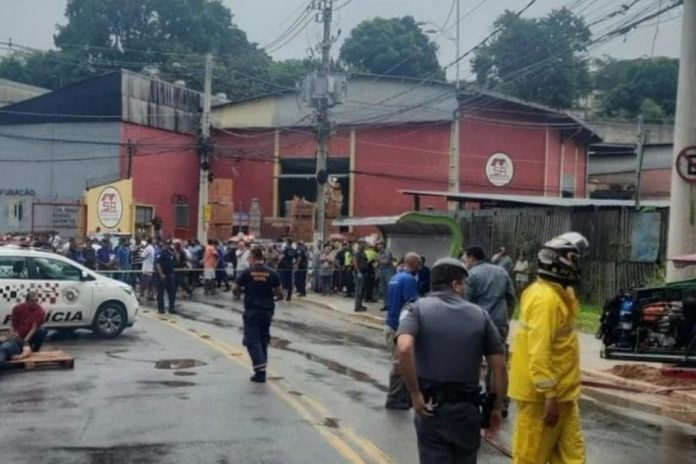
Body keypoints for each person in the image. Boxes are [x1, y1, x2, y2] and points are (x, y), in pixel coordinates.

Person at [396, 258, 507, 463]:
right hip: (467, 411)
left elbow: (403, 348)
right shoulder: (480, 315)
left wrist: (414, 393)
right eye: (464, 283)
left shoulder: (416, 309)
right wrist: (497, 408)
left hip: (432, 408)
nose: (465, 288)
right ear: (456, 284)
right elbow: (499, 366)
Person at [509, 232, 589, 464]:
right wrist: (549, 395)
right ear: (563, 263)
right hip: (543, 397)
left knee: (572, 457)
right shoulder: (545, 299)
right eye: (576, 260)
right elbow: (539, 350)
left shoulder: (558, 294)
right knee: (530, 457)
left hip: (563, 393)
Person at [464, 246, 516, 415]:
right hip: (499, 323)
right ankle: (499, 403)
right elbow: (511, 299)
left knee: (473, 362)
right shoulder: (502, 272)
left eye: (466, 258)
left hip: (477, 323)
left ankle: (472, 399)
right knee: (499, 366)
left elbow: (465, 303)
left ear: (472, 257)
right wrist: (506, 318)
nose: (465, 262)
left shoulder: (471, 275)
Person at [233, 247, 283, 383]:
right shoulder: (272, 273)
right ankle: (261, 370)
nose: (249, 260)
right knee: (263, 339)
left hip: (252, 309)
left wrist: (242, 292)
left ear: (253, 258)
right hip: (267, 310)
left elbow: (235, 288)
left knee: (252, 340)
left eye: (249, 258)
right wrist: (270, 295)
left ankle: (260, 369)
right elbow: (280, 293)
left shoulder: (247, 272)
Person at [384, 252, 421, 410]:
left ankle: (401, 397)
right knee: (400, 364)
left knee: (399, 362)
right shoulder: (409, 279)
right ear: (414, 264)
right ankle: (395, 398)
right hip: (399, 325)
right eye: (419, 265)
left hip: (390, 322)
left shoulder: (395, 277)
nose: (420, 268)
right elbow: (410, 303)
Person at [0, 292, 47, 369]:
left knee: (41, 331)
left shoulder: (40, 311)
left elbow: (33, 329)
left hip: (27, 337)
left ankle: (35, 350)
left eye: (36, 300)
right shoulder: (18, 308)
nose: (35, 303)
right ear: (27, 301)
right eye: (32, 301)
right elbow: (13, 324)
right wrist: (11, 335)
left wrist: (20, 354)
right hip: (15, 337)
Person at [155, 242, 177, 314]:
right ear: (163, 245)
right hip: (163, 275)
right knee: (161, 293)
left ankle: (171, 308)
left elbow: (176, 257)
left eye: (169, 244)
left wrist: (174, 251)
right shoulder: (160, 253)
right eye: (166, 244)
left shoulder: (169, 253)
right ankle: (161, 309)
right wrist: (161, 274)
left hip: (170, 274)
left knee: (172, 293)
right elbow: (157, 264)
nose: (168, 246)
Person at [376, 241, 395, 310]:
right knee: (383, 289)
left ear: (382, 245)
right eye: (377, 245)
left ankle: (391, 305)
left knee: (390, 288)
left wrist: (379, 260)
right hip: (382, 272)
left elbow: (387, 261)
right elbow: (379, 263)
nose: (378, 246)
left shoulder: (387, 252)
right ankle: (386, 304)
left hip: (388, 271)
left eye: (379, 244)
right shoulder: (379, 253)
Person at [353, 240, 369, 312]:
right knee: (358, 290)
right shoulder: (357, 252)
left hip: (364, 272)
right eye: (364, 244)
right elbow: (355, 262)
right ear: (360, 244)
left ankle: (360, 305)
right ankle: (357, 307)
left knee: (362, 290)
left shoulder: (363, 252)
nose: (365, 245)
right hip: (360, 273)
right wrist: (358, 272)